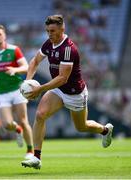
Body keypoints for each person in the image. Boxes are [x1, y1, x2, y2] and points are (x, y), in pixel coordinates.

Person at [21, 15, 114, 169]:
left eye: (52, 31)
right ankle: (36, 157)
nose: (49, 34)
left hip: (75, 93)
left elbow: (63, 78)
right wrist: (28, 82)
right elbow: (35, 61)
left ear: (62, 29)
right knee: (40, 115)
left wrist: (40, 89)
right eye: (47, 31)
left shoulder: (68, 49)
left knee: (81, 127)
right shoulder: (49, 43)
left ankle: (105, 130)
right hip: (57, 90)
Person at [0, 24, 33, 159]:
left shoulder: (14, 50)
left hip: (17, 89)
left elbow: (26, 67)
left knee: (24, 121)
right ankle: (17, 130)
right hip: (2, 93)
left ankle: (30, 151)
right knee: (6, 125)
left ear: (4, 35)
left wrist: (15, 70)